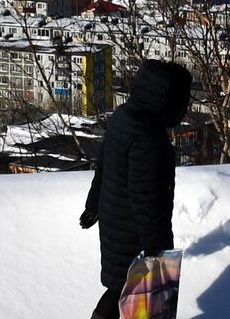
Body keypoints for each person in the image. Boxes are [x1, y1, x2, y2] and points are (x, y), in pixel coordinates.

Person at [81, 60, 194, 319]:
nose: (185, 110)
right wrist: (157, 250)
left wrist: (93, 204)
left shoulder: (125, 115)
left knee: (120, 286)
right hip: (136, 235)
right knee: (143, 303)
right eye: (183, 102)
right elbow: (147, 200)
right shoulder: (148, 136)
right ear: (168, 99)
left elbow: (104, 164)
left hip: (115, 222)